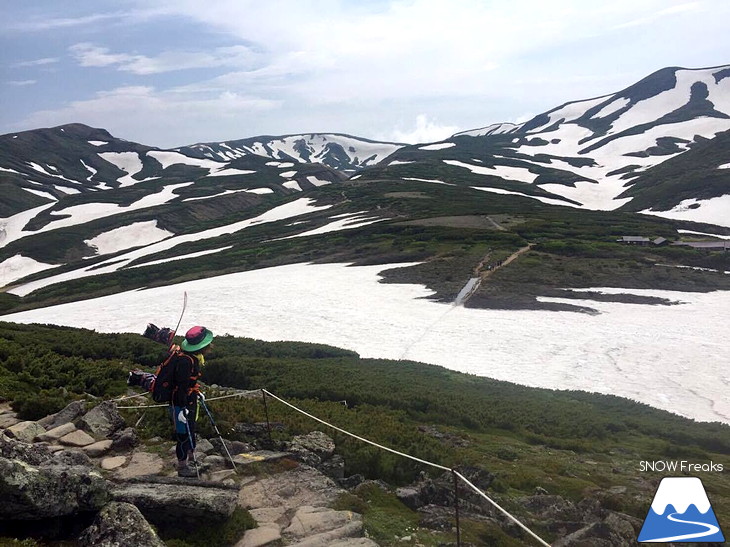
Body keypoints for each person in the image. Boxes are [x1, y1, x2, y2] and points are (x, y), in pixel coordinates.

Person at [172, 325, 214, 477]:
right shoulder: (186, 362)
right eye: (209, 344)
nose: (211, 346)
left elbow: (188, 383)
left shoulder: (192, 358)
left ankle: (192, 459)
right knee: (183, 434)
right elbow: (181, 386)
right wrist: (181, 407)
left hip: (189, 399)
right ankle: (182, 467)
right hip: (179, 402)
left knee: (191, 429)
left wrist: (197, 392)